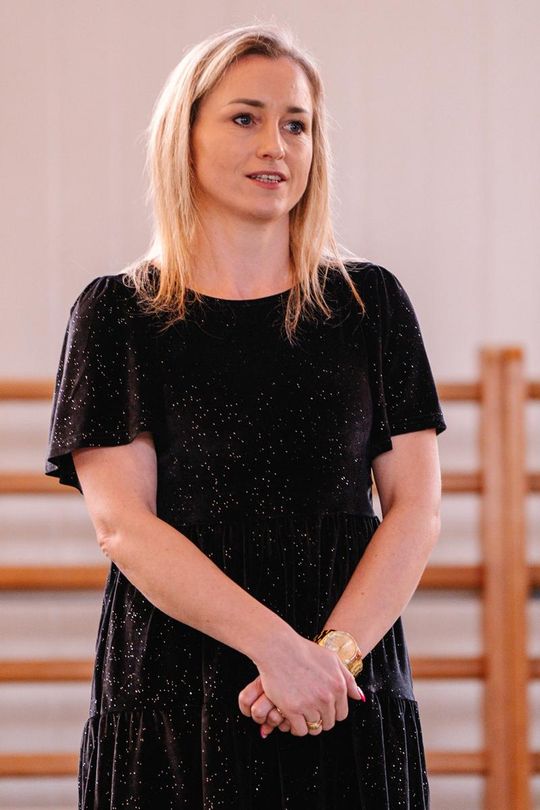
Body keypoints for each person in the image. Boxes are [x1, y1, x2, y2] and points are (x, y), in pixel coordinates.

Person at [44, 21, 447, 809]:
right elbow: (123, 524)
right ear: (185, 136)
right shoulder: (117, 313)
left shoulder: (370, 304)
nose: (275, 145)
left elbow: (416, 509)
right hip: (175, 690)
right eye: (245, 118)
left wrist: (328, 660)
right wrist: (278, 654)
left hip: (343, 687)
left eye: (296, 124)